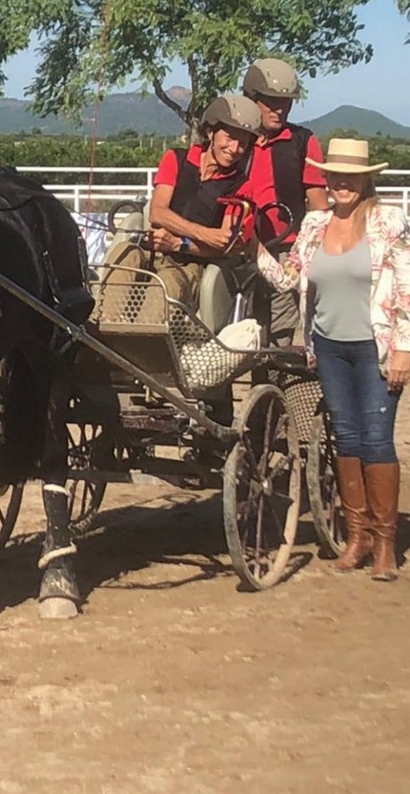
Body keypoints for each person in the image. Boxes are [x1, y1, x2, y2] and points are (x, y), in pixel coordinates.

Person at [254, 137, 409, 582]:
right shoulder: (315, 225)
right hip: (328, 346)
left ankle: (385, 543)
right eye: (334, 176)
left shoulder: (388, 222)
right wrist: (254, 250)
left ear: (366, 179)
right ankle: (356, 537)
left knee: (377, 439)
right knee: (345, 437)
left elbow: (406, 288)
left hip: (375, 348)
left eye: (350, 177)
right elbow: (289, 279)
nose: (341, 184)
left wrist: (404, 348)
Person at [104, 94, 262, 306]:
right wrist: (204, 233)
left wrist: (179, 244)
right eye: (229, 137)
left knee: (168, 284)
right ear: (210, 132)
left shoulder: (241, 185)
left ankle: (145, 335)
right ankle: (102, 324)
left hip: (191, 268)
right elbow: (157, 212)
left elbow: (224, 245)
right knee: (125, 256)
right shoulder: (176, 159)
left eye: (242, 143)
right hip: (152, 253)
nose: (234, 149)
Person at [242, 58, 329, 346]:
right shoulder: (236, 141)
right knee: (239, 326)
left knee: (281, 330)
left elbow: (318, 204)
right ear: (252, 99)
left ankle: (274, 387)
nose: (279, 109)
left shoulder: (302, 141)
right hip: (238, 249)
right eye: (270, 101)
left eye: (286, 102)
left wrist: (308, 252)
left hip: (285, 252)